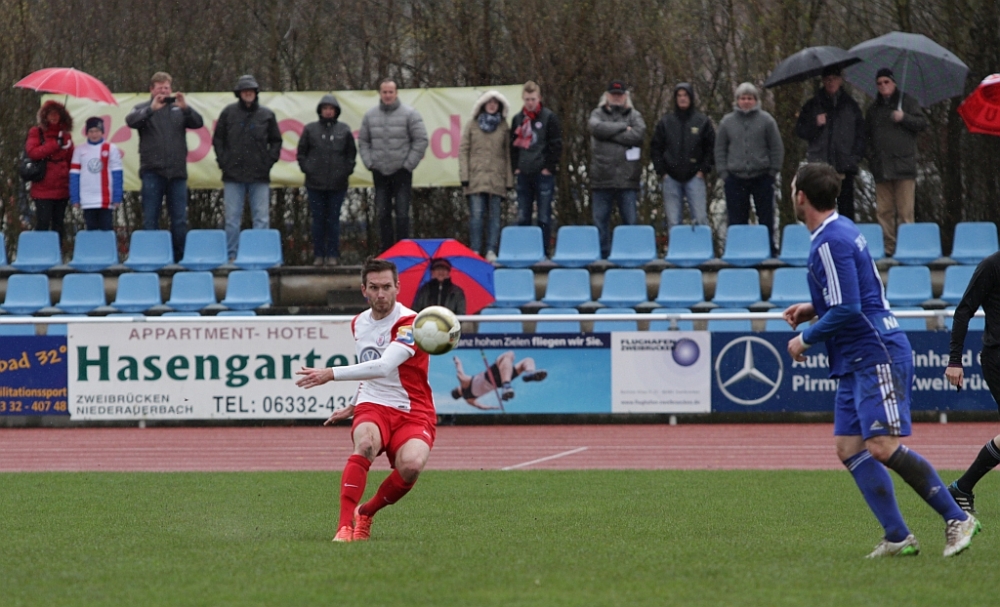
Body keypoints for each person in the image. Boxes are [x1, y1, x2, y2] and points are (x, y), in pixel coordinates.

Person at [783, 162, 979, 558]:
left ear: (801, 197)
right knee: (848, 446)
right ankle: (897, 536)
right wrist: (812, 307)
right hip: (856, 357)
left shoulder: (829, 241)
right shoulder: (839, 229)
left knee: (881, 446)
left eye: (791, 188)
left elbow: (849, 308)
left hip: (875, 353)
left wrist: (805, 338)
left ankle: (958, 517)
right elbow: (853, 293)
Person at [295, 257, 435, 542]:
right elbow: (369, 367)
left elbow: (383, 366)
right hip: (374, 404)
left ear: (398, 287)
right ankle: (344, 526)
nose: (380, 294)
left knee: (411, 467)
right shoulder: (358, 323)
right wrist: (355, 403)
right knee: (366, 445)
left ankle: (367, 512)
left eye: (386, 287)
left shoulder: (411, 323)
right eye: (374, 287)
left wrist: (330, 373)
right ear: (364, 290)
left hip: (413, 409)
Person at [126, 71, 205, 262]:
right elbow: (131, 121)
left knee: (179, 219)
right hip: (152, 172)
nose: (164, 91)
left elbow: (198, 123)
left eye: (167, 87)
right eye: (160, 88)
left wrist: (186, 108)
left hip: (177, 173)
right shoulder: (142, 108)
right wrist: (151, 109)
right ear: (152, 90)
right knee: (150, 218)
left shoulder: (179, 108)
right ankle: (152, 257)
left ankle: (180, 258)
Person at [945, 250, 1000, 513]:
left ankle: (962, 488)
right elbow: (964, 310)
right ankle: (961, 487)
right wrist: (955, 360)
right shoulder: (992, 265)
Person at [212, 74, 282, 261]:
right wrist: (224, 162)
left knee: (261, 219)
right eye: (245, 91)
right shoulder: (228, 113)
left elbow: (276, 141)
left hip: (259, 176)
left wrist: (268, 162)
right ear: (239, 93)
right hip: (233, 175)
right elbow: (218, 140)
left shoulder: (267, 115)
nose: (248, 93)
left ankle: (259, 255)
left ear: (256, 92)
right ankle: (232, 255)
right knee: (232, 219)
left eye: (251, 90)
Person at [358, 79, 428, 252]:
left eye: (391, 92)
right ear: (380, 93)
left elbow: (421, 140)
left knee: (403, 214)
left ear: (396, 93)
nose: (387, 95)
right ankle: (387, 252)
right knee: (383, 214)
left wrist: (408, 165)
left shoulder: (410, 114)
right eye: (384, 92)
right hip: (379, 173)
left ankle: (403, 251)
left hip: (402, 173)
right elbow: (363, 141)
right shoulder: (370, 115)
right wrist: (370, 163)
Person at [864, 68, 928, 257]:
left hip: (904, 167)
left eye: (886, 82)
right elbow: (866, 137)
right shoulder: (873, 109)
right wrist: (872, 157)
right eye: (879, 83)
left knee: (905, 212)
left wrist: (904, 117)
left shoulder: (907, 102)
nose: (883, 86)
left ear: (894, 83)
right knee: (884, 211)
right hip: (881, 168)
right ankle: (889, 248)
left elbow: (922, 123)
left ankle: (908, 247)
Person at [715, 82, 784, 256]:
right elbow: (720, 149)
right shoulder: (727, 122)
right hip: (735, 178)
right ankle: (738, 251)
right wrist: (724, 173)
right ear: (737, 100)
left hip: (762, 176)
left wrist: (773, 171)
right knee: (736, 219)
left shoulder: (767, 121)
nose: (746, 102)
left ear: (756, 100)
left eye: (750, 98)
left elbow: (776, 147)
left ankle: (769, 250)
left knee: (766, 217)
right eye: (743, 98)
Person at [794, 66, 865, 220]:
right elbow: (800, 131)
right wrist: (815, 123)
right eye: (827, 79)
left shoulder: (851, 105)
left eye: (834, 78)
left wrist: (854, 158)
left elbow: (861, 135)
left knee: (846, 211)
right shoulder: (812, 105)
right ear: (823, 81)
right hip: (819, 167)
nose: (831, 82)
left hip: (844, 165)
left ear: (840, 80)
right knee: (819, 209)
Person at [588, 80, 645, 259]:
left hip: (627, 180)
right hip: (601, 178)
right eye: (613, 94)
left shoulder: (634, 115)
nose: (617, 98)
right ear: (607, 96)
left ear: (625, 96)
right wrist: (622, 127)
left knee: (630, 222)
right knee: (600, 222)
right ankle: (602, 257)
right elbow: (596, 128)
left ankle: (630, 255)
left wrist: (608, 134)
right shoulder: (597, 113)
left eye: (620, 95)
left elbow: (638, 134)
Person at [297, 94, 357, 266]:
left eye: (331, 108)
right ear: (320, 111)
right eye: (325, 108)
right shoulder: (310, 129)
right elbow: (301, 153)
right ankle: (318, 254)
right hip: (315, 184)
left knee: (333, 220)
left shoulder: (344, 130)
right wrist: (308, 169)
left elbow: (351, 154)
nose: (328, 111)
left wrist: (345, 172)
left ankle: (333, 255)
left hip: (338, 184)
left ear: (336, 111)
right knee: (318, 221)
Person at [650, 82, 715, 237]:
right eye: (679, 96)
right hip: (670, 178)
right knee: (673, 222)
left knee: (700, 219)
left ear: (691, 97)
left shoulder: (702, 122)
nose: (682, 98)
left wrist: (703, 170)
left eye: (685, 95)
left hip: (695, 177)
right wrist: (662, 172)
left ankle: (702, 249)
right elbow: (655, 148)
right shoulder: (666, 122)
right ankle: (675, 250)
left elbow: (711, 148)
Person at [459, 90, 512, 261]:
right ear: (483, 104)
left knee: (495, 217)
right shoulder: (472, 125)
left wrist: (509, 180)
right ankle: (475, 250)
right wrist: (464, 176)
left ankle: (491, 250)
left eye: (495, 103)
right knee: (476, 215)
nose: (492, 105)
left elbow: (508, 154)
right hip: (475, 178)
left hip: (497, 178)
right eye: (489, 102)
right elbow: (463, 151)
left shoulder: (504, 127)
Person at [511, 81, 562, 256]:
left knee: (544, 216)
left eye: (533, 99)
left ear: (539, 98)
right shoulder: (518, 119)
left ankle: (544, 252)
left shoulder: (549, 118)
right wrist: (516, 167)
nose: (530, 103)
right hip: (524, 174)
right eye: (527, 99)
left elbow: (556, 144)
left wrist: (549, 168)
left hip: (543, 174)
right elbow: (513, 146)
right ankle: (525, 252)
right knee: (523, 215)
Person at [24, 100, 74, 247]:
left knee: (59, 224)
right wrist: (55, 145)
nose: (53, 117)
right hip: (42, 188)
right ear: (44, 116)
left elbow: (71, 159)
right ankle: (40, 252)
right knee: (43, 222)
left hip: (62, 187)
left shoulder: (66, 135)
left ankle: (56, 253)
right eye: (50, 114)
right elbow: (33, 152)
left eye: (56, 114)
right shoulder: (36, 132)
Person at [69, 117, 123, 231]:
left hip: (105, 199)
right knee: (91, 231)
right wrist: (75, 198)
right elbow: (74, 176)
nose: (94, 134)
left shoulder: (111, 148)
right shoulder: (79, 150)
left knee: (106, 230)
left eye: (97, 131)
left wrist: (117, 197)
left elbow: (117, 174)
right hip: (87, 199)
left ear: (102, 132)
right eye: (91, 131)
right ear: (87, 133)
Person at [451, 351, 547, 409]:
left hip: (498, 383)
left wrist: (493, 407)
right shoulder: (464, 381)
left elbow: (481, 407)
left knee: (527, 361)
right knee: (509, 355)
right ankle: (507, 385)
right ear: (456, 389)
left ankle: (529, 373)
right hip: (490, 375)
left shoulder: (469, 400)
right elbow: (459, 368)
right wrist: (456, 359)